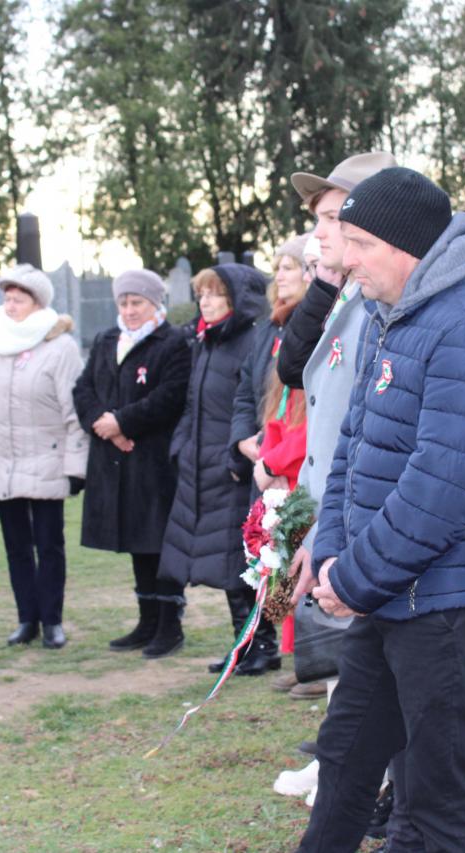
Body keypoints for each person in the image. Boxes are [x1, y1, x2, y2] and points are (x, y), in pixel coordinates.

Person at [295, 168, 465, 852]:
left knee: (435, 796)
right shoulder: (391, 315)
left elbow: (442, 487)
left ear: (406, 246)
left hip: (450, 602)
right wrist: (334, 549)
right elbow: (354, 448)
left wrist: (353, 578)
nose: (345, 259)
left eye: (359, 243)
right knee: (345, 757)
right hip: (389, 590)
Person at [0, 264, 88, 649]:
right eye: (7, 298)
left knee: (49, 545)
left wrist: (75, 466)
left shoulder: (60, 347)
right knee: (16, 546)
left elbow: (74, 411)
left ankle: (52, 620)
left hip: (46, 459)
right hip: (0, 459)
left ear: (38, 304)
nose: (11, 305)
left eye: (19, 299)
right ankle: (26, 619)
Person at [73, 269, 191, 657]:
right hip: (116, 459)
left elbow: (170, 395)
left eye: (137, 302)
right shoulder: (108, 340)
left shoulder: (172, 342)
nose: (129, 310)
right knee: (137, 543)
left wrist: (123, 422)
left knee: (159, 543)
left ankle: (170, 624)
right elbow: (83, 388)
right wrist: (104, 425)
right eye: (123, 302)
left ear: (154, 303)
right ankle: (147, 620)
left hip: (154, 460)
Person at [158, 263, 267, 664]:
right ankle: (246, 645)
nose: (204, 302)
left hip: (233, 468)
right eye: (201, 294)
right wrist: (181, 447)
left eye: (214, 294)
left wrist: (236, 457)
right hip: (200, 464)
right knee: (224, 563)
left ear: (237, 299)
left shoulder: (252, 341)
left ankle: (260, 645)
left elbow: (255, 405)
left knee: (241, 560)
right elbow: (193, 403)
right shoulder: (207, 342)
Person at [223, 234, 311, 676]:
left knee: (297, 558)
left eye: (289, 266)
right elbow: (246, 390)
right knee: (274, 558)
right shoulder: (269, 329)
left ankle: (311, 659)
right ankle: (292, 656)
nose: (280, 275)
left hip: (289, 461)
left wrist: (275, 458)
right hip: (265, 457)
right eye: (277, 268)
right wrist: (245, 440)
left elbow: (306, 408)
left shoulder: (313, 327)